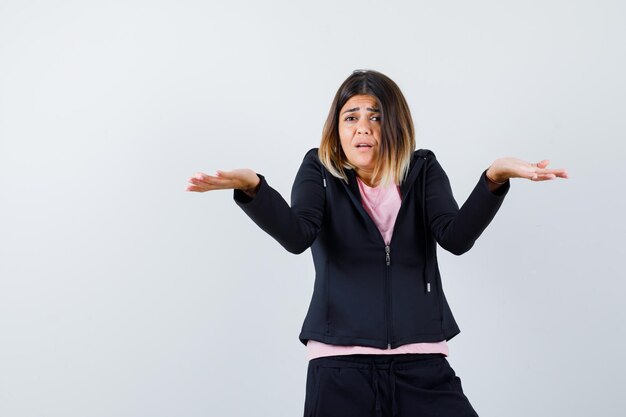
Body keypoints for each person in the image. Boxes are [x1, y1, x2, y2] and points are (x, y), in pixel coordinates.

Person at [185, 69, 568, 417]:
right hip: (338, 367)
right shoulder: (318, 169)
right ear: (337, 127)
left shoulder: (423, 169)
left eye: (376, 117)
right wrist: (253, 187)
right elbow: (296, 235)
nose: (362, 128)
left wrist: (494, 178)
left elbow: (456, 237)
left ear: (395, 125)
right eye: (351, 117)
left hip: (422, 363)